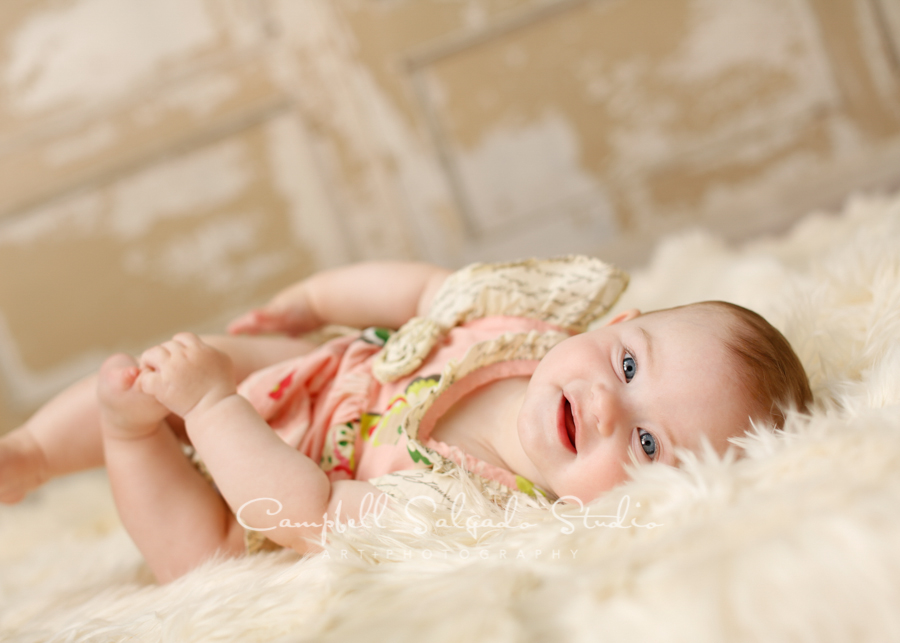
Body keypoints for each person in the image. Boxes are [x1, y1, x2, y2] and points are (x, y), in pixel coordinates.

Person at [0, 256, 812, 582]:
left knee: (197, 547)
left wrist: (208, 408)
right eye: (630, 363)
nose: (606, 401)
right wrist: (315, 303)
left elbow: (306, 514)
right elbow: (421, 293)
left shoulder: (479, 509)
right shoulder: (527, 326)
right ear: (613, 323)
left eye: (645, 441)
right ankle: (31, 451)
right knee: (205, 353)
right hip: (317, 374)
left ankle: (125, 433)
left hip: (254, 487)